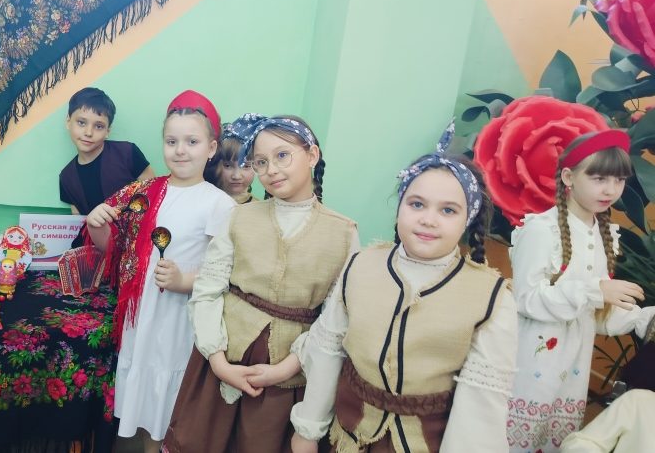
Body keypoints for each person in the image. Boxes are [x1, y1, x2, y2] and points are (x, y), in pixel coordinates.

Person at [288, 125, 518, 452]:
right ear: (400, 207)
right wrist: (308, 430)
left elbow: (480, 406)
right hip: (347, 435)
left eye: (448, 210)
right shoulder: (360, 266)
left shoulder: (491, 298)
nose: (428, 219)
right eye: (417, 204)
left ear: (468, 219)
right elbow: (327, 352)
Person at [163, 115, 358, 453]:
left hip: (290, 372)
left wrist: (286, 368)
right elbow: (208, 288)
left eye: (282, 156)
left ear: (312, 155)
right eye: (261, 162)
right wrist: (218, 361)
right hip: (222, 360)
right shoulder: (238, 216)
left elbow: (334, 321)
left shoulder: (343, 233)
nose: (271, 170)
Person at [86, 90, 235, 453]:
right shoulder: (144, 192)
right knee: (141, 397)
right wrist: (96, 224)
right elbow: (115, 249)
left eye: (192, 142)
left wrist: (185, 281)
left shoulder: (219, 204)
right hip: (143, 313)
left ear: (211, 148)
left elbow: (227, 273)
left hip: (178, 318)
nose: (180, 150)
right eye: (171, 141)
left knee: (167, 398)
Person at [506, 130, 655, 452]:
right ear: (569, 177)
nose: (610, 190)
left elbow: (596, 316)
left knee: (555, 441)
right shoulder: (541, 230)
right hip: (530, 363)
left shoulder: (603, 235)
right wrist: (594, 291)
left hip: (572, 369)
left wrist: (643, 319)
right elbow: (526, 299)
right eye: (599, 178)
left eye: (619, 180)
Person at [59, 88, 153, 245]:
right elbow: (80, 222)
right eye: (81, 122)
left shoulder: (127, 153)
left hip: (138, 241)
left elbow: (155, 193)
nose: (88, 132)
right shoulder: (67, 177)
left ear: (108, 131)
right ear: (68, 121)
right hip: (100, 247)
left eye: (99, 126)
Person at [206, 114, 263, 204]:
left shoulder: (259, 207)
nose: (236, 176)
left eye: (246, 166)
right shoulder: (205, 202)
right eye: (227, 166)